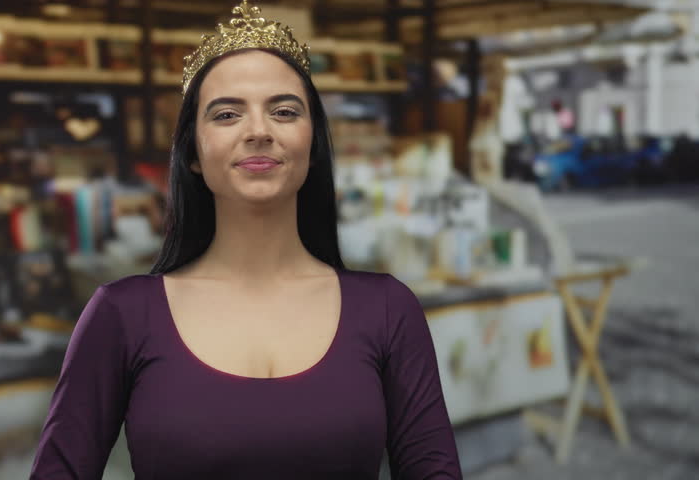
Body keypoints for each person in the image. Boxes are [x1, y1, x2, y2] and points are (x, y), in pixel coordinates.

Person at [30, 2, 461, 479]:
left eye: (284, 111)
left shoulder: (388, 311)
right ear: (192, 152)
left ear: (313, 144)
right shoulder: (122, 315)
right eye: (227, 114)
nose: (258, 131)